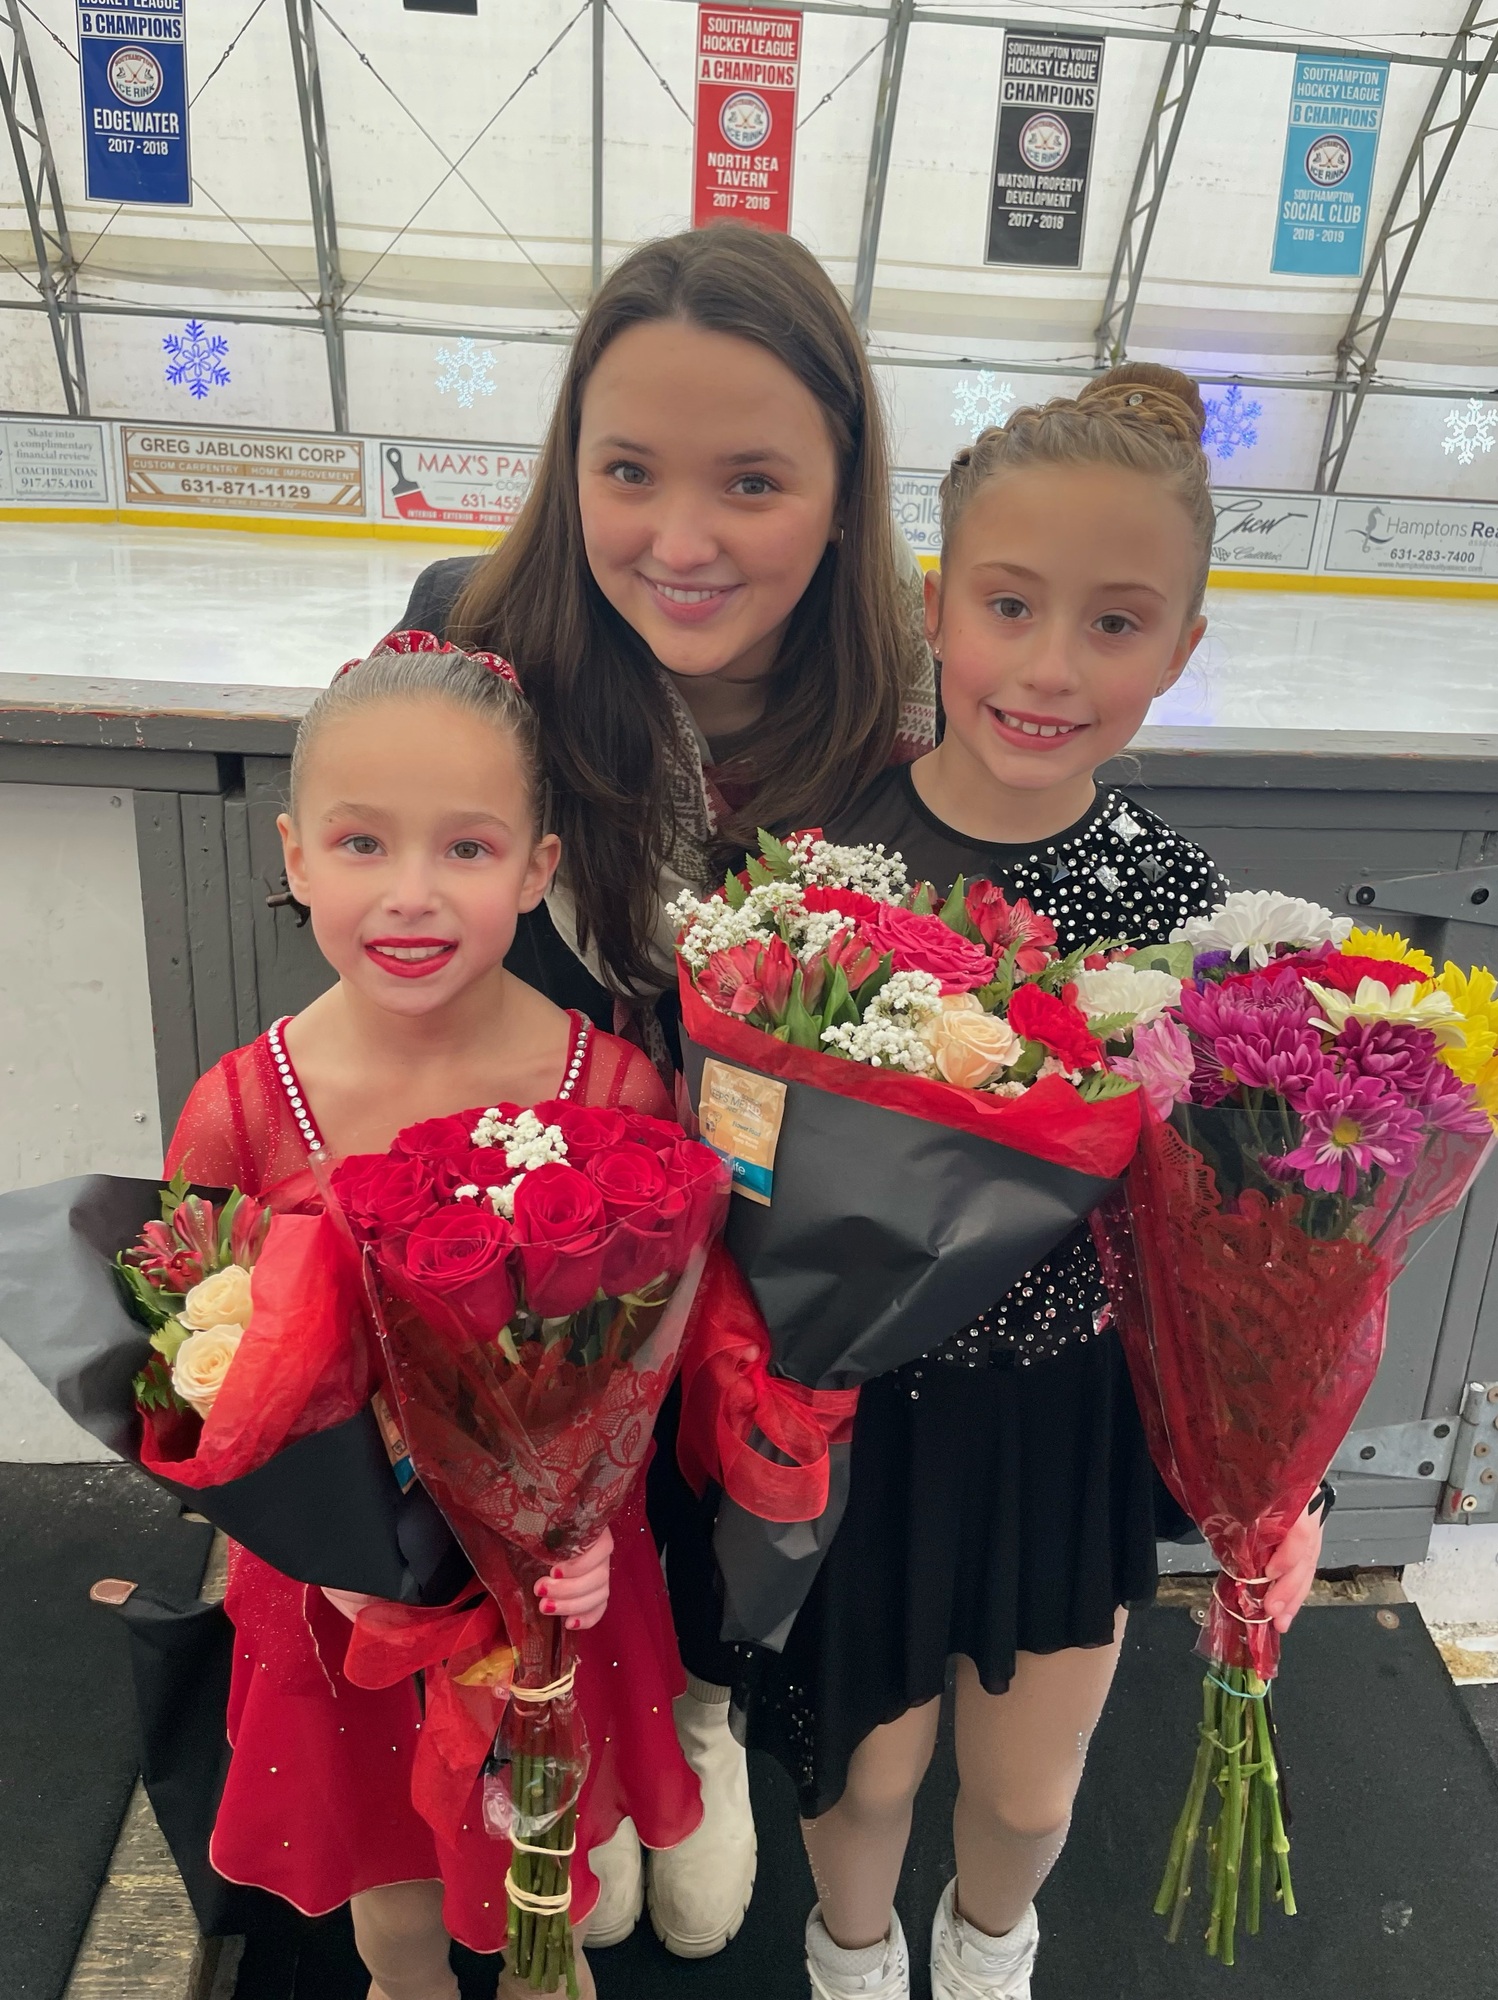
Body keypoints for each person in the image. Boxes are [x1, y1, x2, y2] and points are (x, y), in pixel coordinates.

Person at [730, 364, 1331, 2000]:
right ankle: (850, 1960)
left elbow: (1239, 1239)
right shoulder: (816, 850)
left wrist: (1277, 1469)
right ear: (940, 604)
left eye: (1119, 625)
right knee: (861, 1769)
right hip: (849, 1417)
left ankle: (991, 1959)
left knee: (1023, 1786)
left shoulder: (1172, 900)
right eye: (1011, 604)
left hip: (1067, 1413)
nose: (1052, 667)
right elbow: (734, 1145)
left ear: (1186, 651)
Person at [394, 224, 936, 1957]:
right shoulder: (467, 647)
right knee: (537, 1480)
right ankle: (567, 1739)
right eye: (626, 471)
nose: (678, 542)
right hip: (534, 1216)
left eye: (754, 483)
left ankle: (696, 1722)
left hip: (763, 1247)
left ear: (844, 493)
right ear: (571, 466)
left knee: (728, 1462)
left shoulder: (900, 719)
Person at [165, 632, 702, 2000]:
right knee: (393, 1904)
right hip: (339, 1607)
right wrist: (311, 1541)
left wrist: (587, 1525)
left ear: (537, 869)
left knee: (540, 1893)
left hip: (547, 1595)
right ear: (292, 857)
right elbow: (190, 1376)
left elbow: (652, 1345)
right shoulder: (241, 1107)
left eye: (466, 850)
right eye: (361, 844)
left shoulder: (616, 1094)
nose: (412, 895)